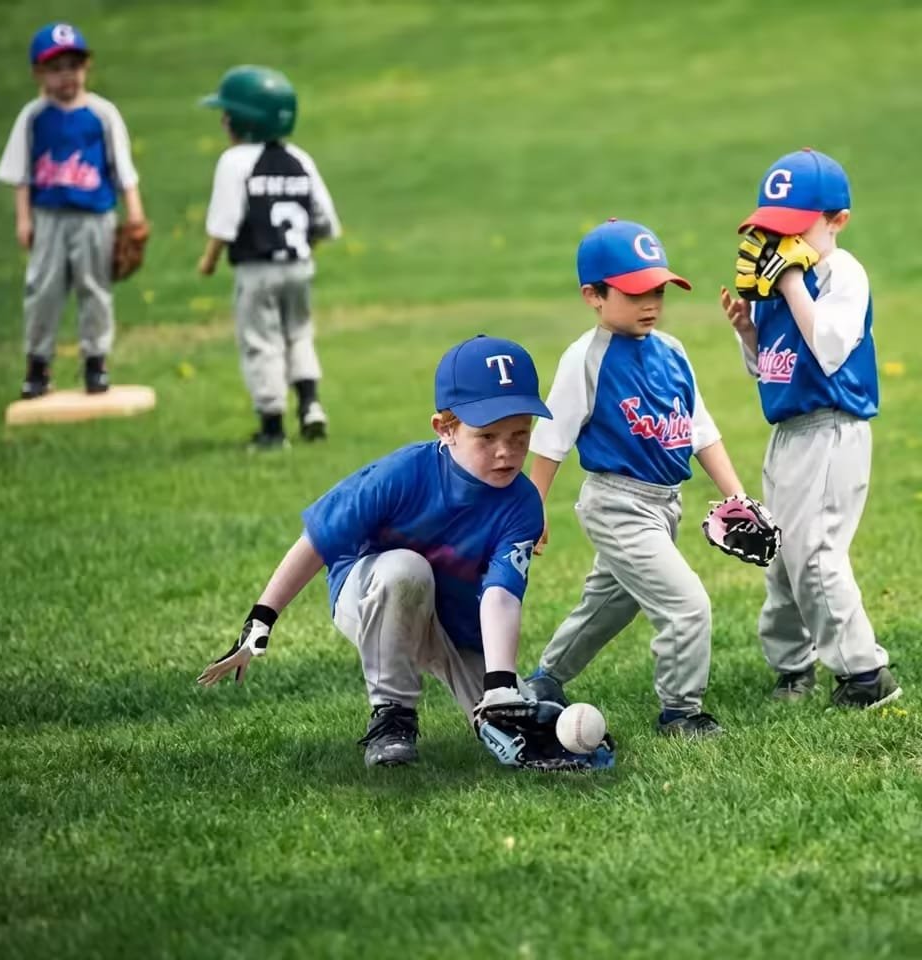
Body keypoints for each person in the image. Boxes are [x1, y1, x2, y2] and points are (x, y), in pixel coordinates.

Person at [198, 335, 553, 768]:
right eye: (487, 436)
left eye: (519, 435)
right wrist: (261, 618)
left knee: (522, 729)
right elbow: (317, 540)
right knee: (406, 570)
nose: (506, 452)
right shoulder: (400, 476)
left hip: (455, 622)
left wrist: (500, 685)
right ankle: (392, 718)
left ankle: (513, 704)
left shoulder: (522, 503)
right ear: (445, 429)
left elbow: (500, 595)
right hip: (371, 596)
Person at [525, 219, 752, 738]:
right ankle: (681, 711)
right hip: (617, 502)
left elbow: (700, 430)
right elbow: (550, 441)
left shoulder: (671, 351)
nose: (650, 302)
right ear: (594, 296)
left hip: (664, 503)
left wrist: (736, 496)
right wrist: (531, 509)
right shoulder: (586, 359)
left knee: (610, 601)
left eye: (657, 290)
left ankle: (546, 679)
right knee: (687, 604)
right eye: (633, 293)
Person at [720, 148, 902, 708]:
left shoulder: (842, 274)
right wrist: (749, 331)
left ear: (836, 222)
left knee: (815, 551)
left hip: (832, 428)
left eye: (797, 229)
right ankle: (793, 667)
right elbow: (767, 369)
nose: (781, 243)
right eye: (773, 231)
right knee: (778, 555)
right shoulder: (775, 286)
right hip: (788, 434)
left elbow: (826, 347)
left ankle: (865, 674)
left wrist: (794, 282)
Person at [0, 22, 146, 398]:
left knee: (94, 289)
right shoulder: (32, 117)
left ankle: (96, 362)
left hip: (96, 216)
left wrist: (135, 214)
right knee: (42, 291)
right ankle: (37, 366)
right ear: (39, 74)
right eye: (56, 67)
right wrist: (23, 219)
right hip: (48, 217)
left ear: (87, 68)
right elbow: (21, 175)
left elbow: (123, 169)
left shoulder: (102, 114)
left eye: (74, 65)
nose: (67, 75)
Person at [198, 65, 341, 448]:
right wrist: (305, 253)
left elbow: (225, 224)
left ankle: (273, 427)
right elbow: (325, 221)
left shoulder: (235, 161)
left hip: (257, 269)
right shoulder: (299, 158)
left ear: (242, 120)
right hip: (299, 265)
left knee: (261, 342)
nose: (223, 121)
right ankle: (310, 405)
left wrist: (208, 261)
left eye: (226, 114)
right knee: (299, 333)